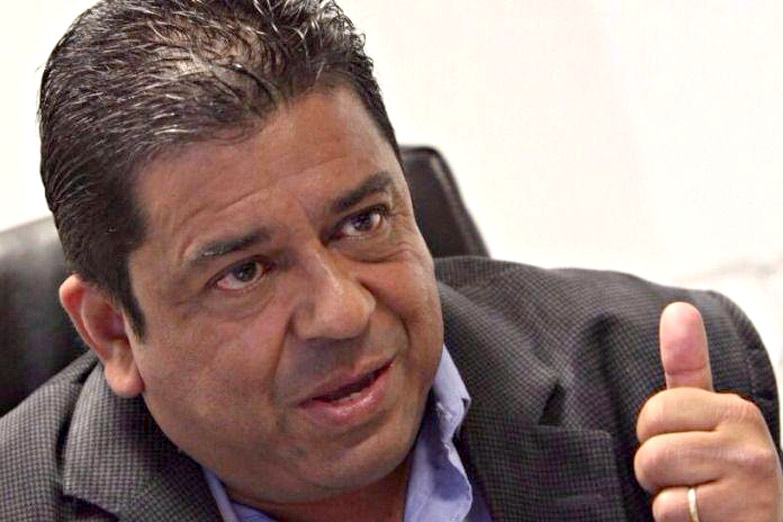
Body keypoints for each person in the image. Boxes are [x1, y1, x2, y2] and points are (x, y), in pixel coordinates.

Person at [0, 1, 781, 520]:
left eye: (361, 222)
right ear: (114, 331)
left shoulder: (652, 386)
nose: (342, 313)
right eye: (245, 272)